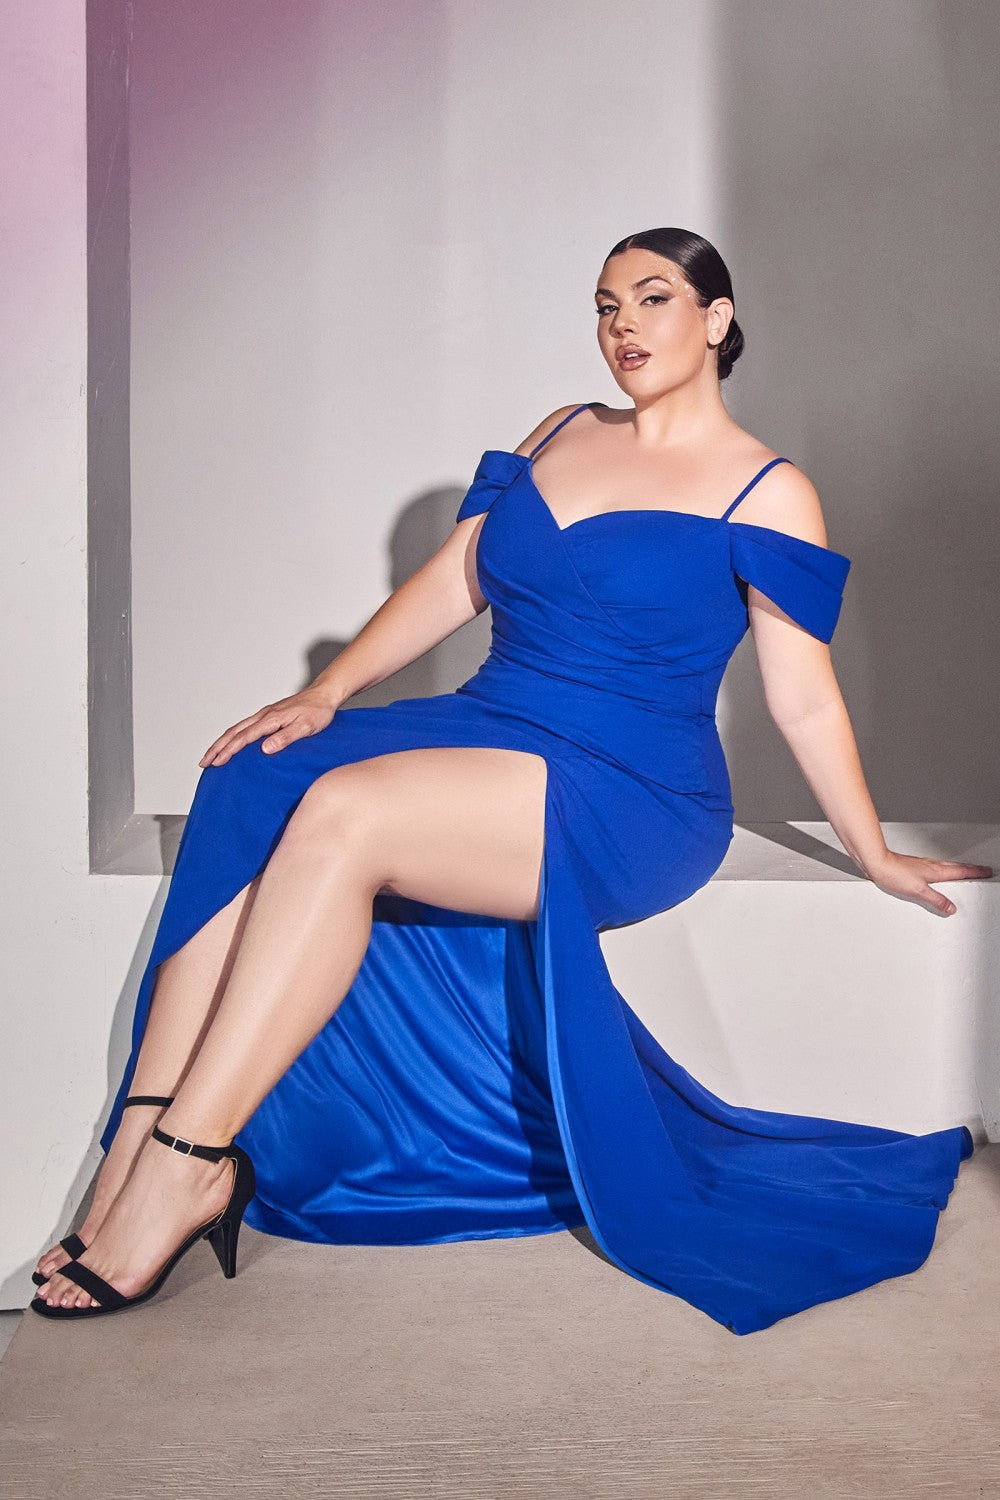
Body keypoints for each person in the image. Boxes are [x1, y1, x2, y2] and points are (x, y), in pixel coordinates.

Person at [31, 227, 991, 1335]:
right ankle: (135, 1141)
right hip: (492, 720)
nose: (622, 325)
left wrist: (872, 851)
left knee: (345, 812)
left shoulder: (768, 490)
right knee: (253, 772)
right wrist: (327, 692)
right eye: (605, 305)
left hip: (629, 788)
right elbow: (456, 580)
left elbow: (803, 698)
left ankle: (190, 1164)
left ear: (716, 318)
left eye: (653, 298)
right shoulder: (563, 428)